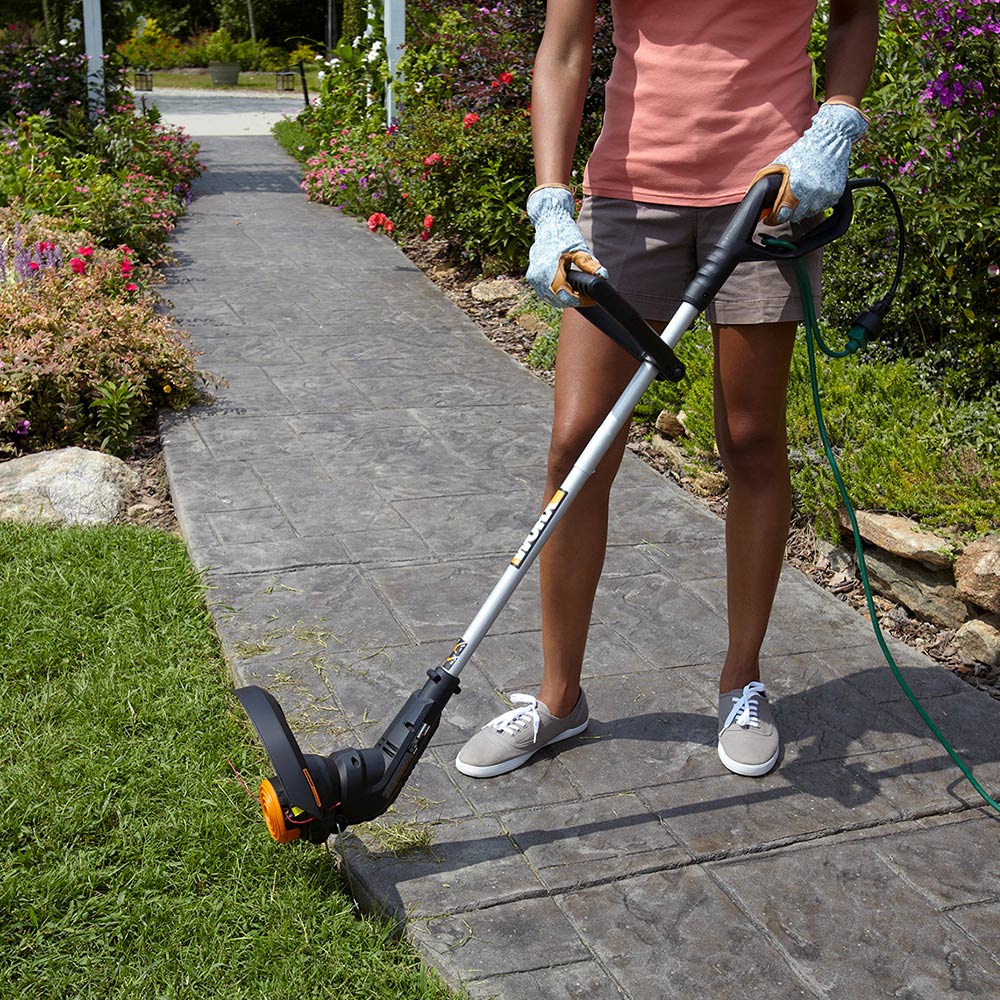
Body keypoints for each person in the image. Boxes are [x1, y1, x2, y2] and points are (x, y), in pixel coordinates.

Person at [455, 0, 878, 779]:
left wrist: (837, 122)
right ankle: (557, 701)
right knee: (576, 443)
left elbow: (854, 15)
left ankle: (741, 680)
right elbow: (564, 48)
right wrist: (550, 202)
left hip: (768, 191)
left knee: (749, 439)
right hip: (626, 196)